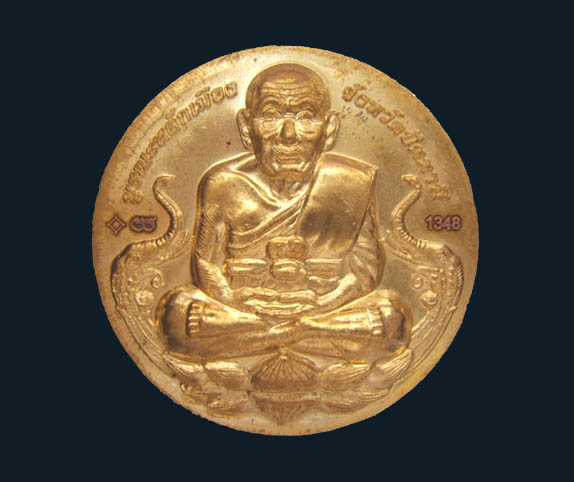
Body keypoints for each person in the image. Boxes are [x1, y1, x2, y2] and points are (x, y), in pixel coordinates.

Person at [157, 63, 410, 363]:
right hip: (245, 310)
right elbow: (204, 263)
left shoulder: (351, 182)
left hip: (321, 310)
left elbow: (365, 270)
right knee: (177, 314)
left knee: (391, 319)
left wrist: (323, 305)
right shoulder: (222, 184)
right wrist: (235, 301)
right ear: (246, 128)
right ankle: (298, 337)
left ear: (329, 129)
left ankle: (271, 339)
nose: (288, 135)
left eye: (305, 117)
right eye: (271, 116)